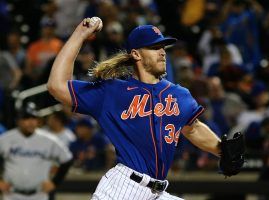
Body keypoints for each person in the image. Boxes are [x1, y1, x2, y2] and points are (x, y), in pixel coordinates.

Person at [47, 17, 242, 200]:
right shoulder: (112, 92)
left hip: (158, 192)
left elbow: (194, 128)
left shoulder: (178, 94)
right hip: (123, 188)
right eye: (154, 47)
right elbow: (57, 85)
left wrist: (221, 151)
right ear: (136, 54)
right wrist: (80, 34)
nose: (162, 51)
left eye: (163, 46)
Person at [0, 102, 73, 200]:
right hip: (12, 195)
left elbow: (68, 160)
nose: (30, 122)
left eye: (33, 118)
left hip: (39, 195)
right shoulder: (6, 138)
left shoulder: (49, 140)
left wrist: (55, 182)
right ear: (18, 121)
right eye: (26, 118)